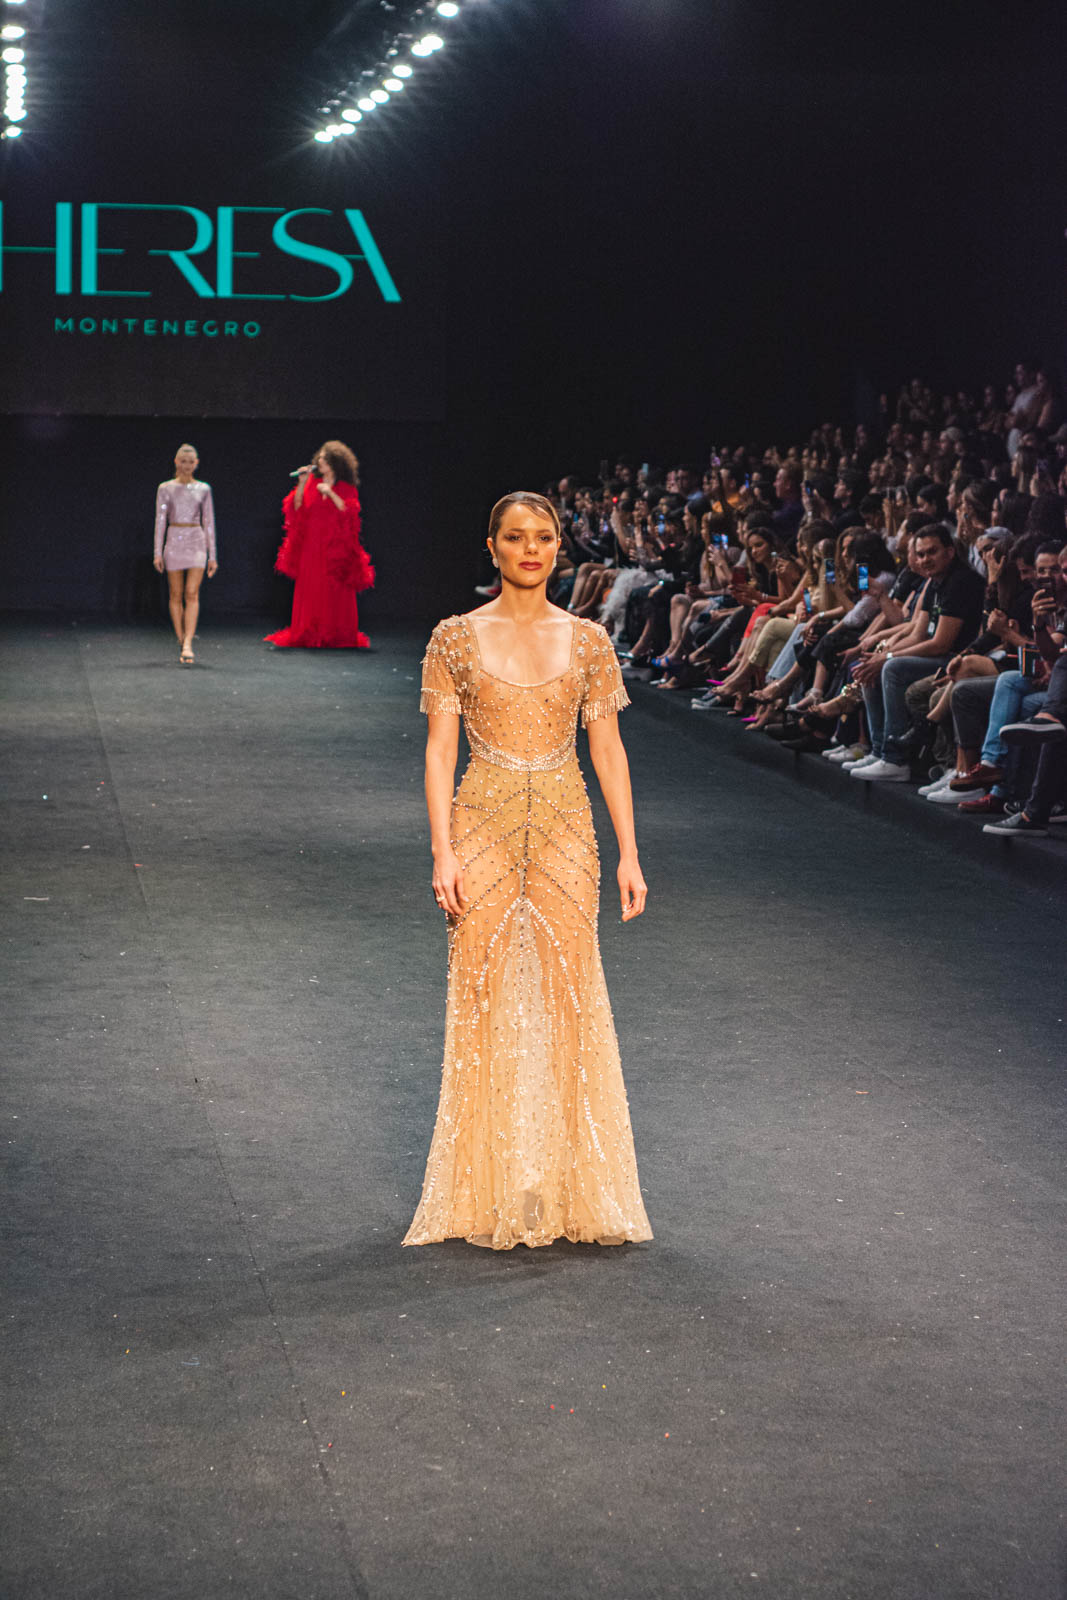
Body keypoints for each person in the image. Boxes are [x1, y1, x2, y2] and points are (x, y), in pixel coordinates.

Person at [404, 490, 653, 1251]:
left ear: (557, 546)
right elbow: (439, 751)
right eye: (515, 537)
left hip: (566, 830)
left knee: (569, 994)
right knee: (480, 994)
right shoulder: (453, 637)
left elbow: (607, 749)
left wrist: (629, 851)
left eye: (543, 537)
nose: (531, 549)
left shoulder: (589, 641)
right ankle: (485, 1189)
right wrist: (442, 848)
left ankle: (568, 1187)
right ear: (493, 547)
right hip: (479, 825)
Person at [265, 440, 374, 649]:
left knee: (334, 587)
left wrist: (330, 492)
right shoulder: (312, 484)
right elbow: (297, 506)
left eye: (324, 460)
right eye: (320, 459)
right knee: (312, 586)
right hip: (312, 544)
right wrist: (302, 483)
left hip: (335, 546)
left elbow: (349, 511)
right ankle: (309, 631)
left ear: (334, 464)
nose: (319, 463)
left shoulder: (345, 487)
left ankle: (336, 633)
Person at [153, 443, 217, 665]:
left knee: (192, 592)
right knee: (175, 593)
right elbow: (160, 520)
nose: (187, 465)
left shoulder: (203, 489)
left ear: (196, 464)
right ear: (176, 462)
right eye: (183, 461)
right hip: (174, 539)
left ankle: (188, 642)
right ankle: (181, 639)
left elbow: (209, 521)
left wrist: (212, 555)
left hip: (196, 540)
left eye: (191, 462)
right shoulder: (165, 488)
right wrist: (157, 552)